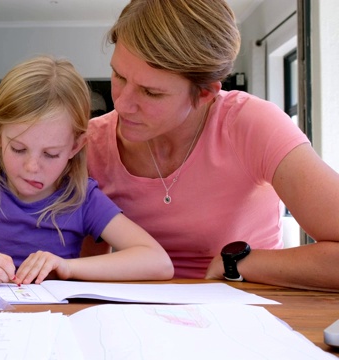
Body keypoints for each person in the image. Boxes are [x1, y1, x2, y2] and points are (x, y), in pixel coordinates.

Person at [85, 0, 339, 292]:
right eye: (119, 75)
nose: (123, 104)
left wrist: (238, 263)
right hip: (143, 317)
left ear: (205, 93)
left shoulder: (252, 124)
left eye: (151, 92)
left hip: (249, 309)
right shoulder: (92, 145)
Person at [0, 55, 173, 287]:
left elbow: (157, 262)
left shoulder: (82, 197)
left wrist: (67, 267)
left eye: (50, 154)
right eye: (19, 149)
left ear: (75, 146)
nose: (32, 167)